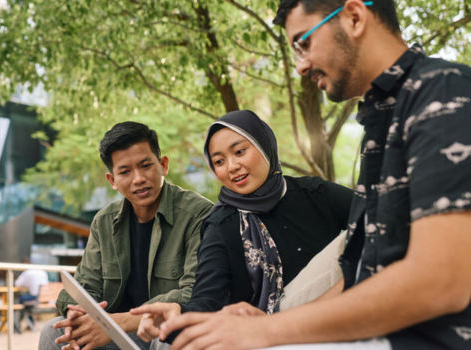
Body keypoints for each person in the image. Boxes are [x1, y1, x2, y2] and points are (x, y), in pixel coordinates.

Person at [156, 1, 471, 349]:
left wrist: (266, 332)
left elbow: (444, 283)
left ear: (353, 16)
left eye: (303, 43)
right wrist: (273, 325)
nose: (301, 66)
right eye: (218, 161)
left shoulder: (441, 92)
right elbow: (359, 274)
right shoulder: (381, 120)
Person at [131, 110, 353, 343]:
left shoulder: (315, 194)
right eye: (219, 161)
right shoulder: (220, 225)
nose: (232, 166)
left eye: (239, 152)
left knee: (368, 231)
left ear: (265, 144)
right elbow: (207, 300)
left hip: (336, 316)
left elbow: (380, 219)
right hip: (265, 331)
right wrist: (178, 313)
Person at [38, 121, 213, 350]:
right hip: (116, 332)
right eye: (125, 171)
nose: (138, 178)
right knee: (54, 332)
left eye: (145, 165)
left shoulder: (199, 214)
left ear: (163, 165)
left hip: (162, 326)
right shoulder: (104, 222)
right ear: (112, 181)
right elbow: (84, 284)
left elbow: (196, 292)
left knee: (167, 339)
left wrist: (118, 321)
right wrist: (77, 315)